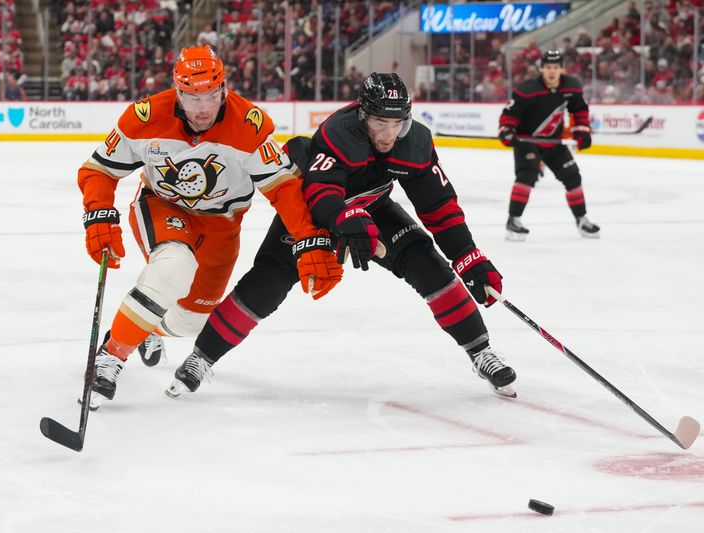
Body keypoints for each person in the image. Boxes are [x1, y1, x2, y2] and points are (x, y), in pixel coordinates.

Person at [150, 72, 517, 398]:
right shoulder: (339, 131)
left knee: (430, 266)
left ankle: (480, 350)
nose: (388, 134)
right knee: (267, 283)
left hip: (372, 211)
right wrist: (345, 217)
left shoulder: (416, 143)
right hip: (315, 215)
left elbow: (439, 206)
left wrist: (468, 255)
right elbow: (321, 191)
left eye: (397, 124)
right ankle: (201, 357)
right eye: (378, 123)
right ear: (362, 116)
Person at [77, 45, 342, 405]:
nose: (202, 108)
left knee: (190, 322)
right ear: (177, 92)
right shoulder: (145, 117)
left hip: (223, 224)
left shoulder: (248, 125)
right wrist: (98, 215)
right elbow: (99, 170)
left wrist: (309, 239)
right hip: (162, 205)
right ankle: (111, 356)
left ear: (224, 89)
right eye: (191, 97)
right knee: (174, 265)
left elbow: (283, 188)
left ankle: (145, 327)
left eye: (211, 96)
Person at [498, 49, 600, 241]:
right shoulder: (527, 89)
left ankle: (582, 219)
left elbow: (579, 110)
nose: (552, 72)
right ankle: (513, 220)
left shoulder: (571, 86)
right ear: (541, 69)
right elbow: (509, 115)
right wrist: (506, 130)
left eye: (555, 67)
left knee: (573, 177)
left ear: (561, 69)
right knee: (527, 175)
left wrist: (582, 130)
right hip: (527, 141)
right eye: (548, 67)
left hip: (553, 142)